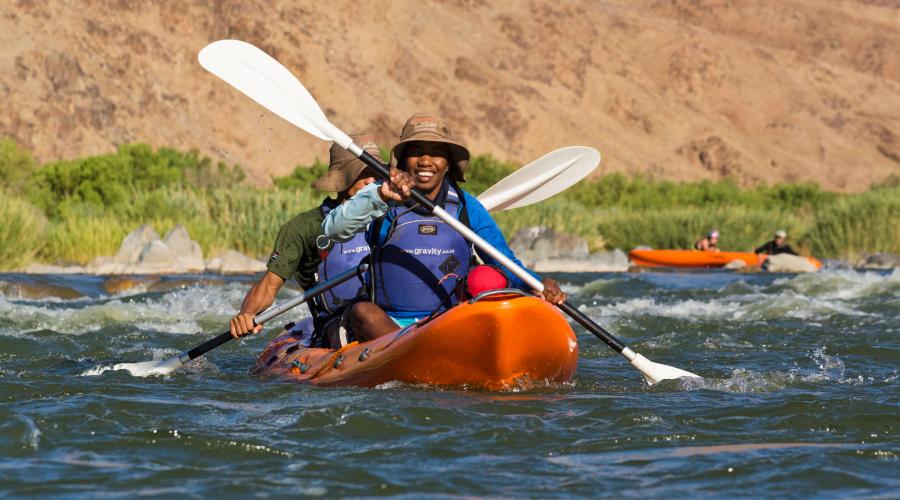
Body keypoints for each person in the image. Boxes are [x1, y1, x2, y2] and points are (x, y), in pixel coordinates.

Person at [322, 113, 567, 342]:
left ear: (448, 163)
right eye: (416, 152)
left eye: (436, 153)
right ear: (404, 160)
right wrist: (379, 196)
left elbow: (503, 259)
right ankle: (414, 349)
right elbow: (333, 229)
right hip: (389, 324)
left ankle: (427, 349)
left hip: (449, 321)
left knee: (487, 280)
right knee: (363, 312)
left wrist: (537, 284)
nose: (425, 161)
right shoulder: (383, 197)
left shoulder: (466, 207)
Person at [229, 135, 382, 345]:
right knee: (364, 315)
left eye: (377, 173)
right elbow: (269, 286)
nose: (371, 181)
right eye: (363, 173)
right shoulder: (304, 227)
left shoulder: (392, 216)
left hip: (388, 320)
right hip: (337, 328)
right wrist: (247, 313)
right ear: (342, 178)